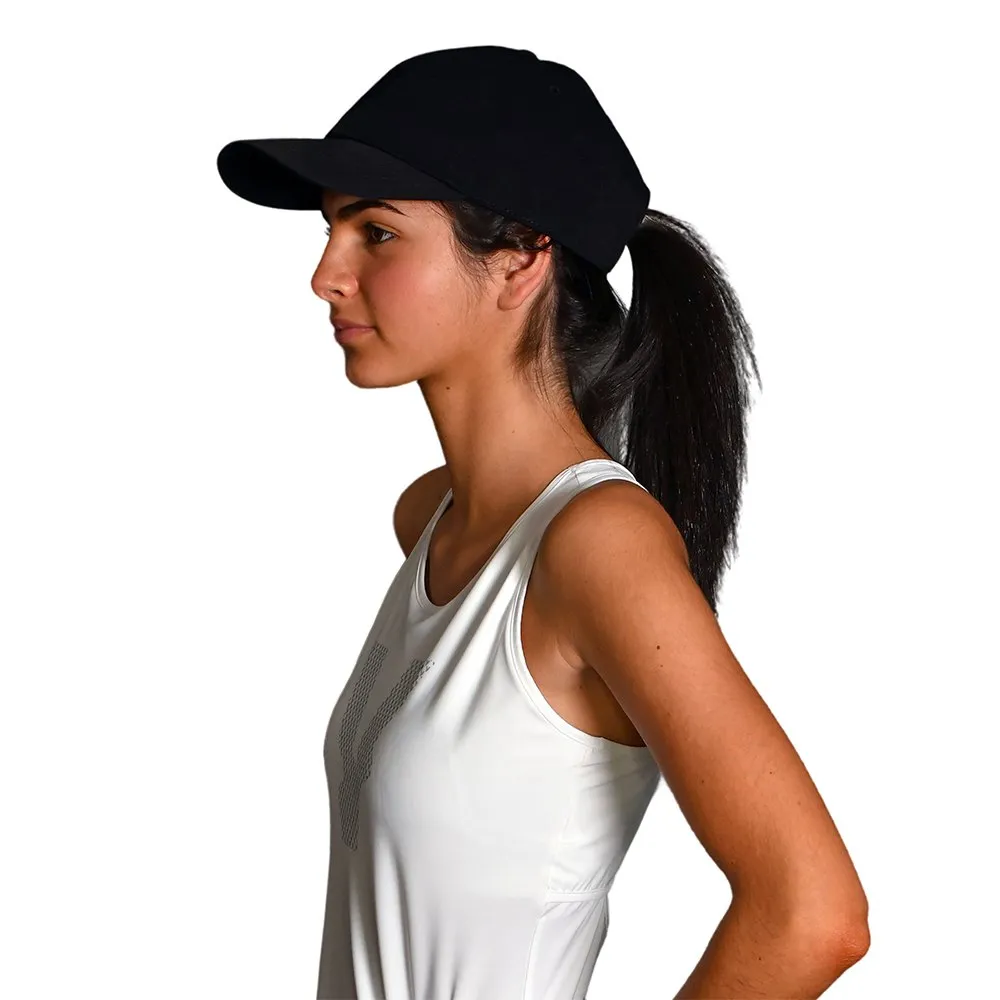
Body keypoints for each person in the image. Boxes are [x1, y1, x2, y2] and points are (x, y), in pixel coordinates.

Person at [216, 44, 869, 1000]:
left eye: (377, 232)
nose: (326, 275)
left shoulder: (597, 547)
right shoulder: (433, 521)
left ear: (521, 258)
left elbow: (813, 914)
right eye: (330, 230)